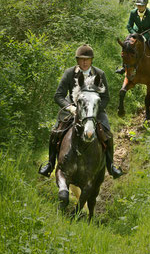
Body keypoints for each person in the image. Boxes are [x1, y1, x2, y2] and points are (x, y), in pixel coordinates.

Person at [39, 44, 123, 179]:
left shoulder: (100, 74)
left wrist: (94, 111)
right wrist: (70, 107)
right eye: (81, 59)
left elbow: (106, 97)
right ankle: (50, 164)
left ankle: (111, 165)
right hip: (72, 109)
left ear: (91, 60)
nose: (84, 62)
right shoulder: (69, 73)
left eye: (87, 59)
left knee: (107, 134)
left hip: (94, 110)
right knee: (55, 132)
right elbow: (58, 95)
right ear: (77, 60)